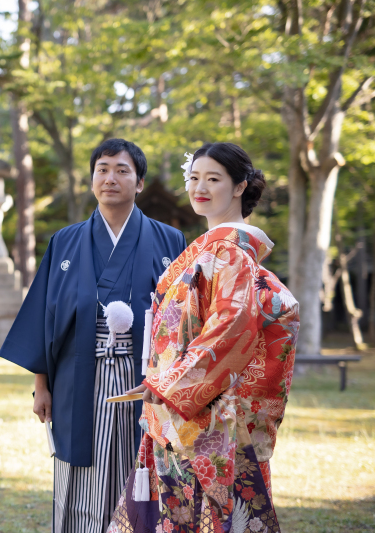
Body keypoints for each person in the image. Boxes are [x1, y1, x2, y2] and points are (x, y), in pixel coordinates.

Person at [107, 143, 300, 533]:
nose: (200, 187)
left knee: (201, 514)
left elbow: (231, 328)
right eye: (194, 177)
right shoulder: (210, 249)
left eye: (214, 179)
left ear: (240, 186)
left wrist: (170, 385)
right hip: (181, 407)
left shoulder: (230, 252)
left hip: (203, 411)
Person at [0, 138, 187, 533]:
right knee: (79, 472)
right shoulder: (65, 241)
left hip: (145, 382)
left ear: (138, 183)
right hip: (76, 377)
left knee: (139, 467)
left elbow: (182, 320)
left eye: (122, 170)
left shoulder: (170, 240)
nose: (110, 178)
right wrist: (41, 386)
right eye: (102, 169)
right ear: (91, 179)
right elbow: (44, 318)